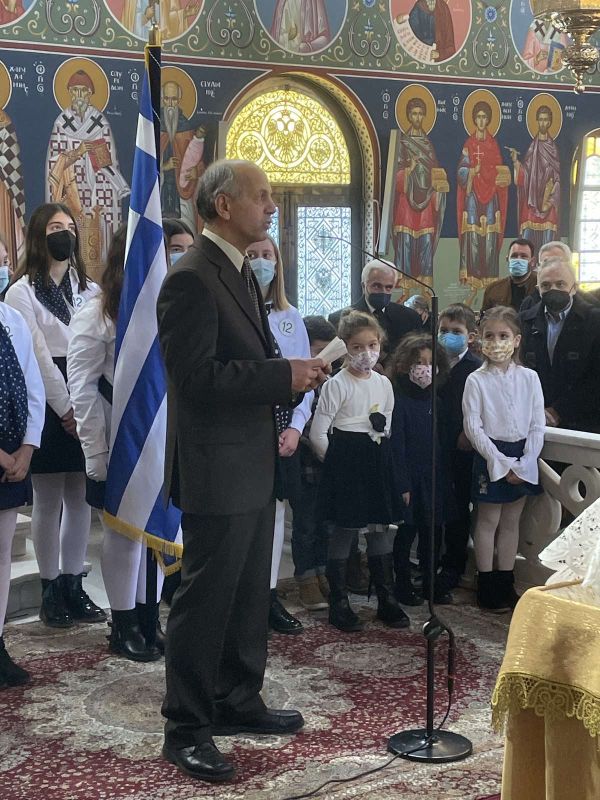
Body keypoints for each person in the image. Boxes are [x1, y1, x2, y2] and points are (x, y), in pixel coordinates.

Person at [156, 159, 328, 782]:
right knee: (205, 600)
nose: (272, 206)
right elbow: (196, 379)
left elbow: (244, 363)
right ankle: (186, 728)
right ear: (223, 205)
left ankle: (236, 697)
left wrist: (293, 375)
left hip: (252, 462)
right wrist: (283, 375)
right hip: (217, 468)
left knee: (250, 591)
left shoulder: (240, 273)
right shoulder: (190, 278)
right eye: (262, 196)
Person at [5, 203, 106, 628]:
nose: (64, 234)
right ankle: (50, 590)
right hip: (47, 400)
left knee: (81, 498)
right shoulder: (21, 292)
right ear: (38, 235)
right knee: (48, 500)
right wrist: (66, 408)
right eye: (54, 227)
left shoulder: (91, 288)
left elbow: (95, 347)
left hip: (86, 391)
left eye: (69, 227)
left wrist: (83, 407)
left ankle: (73, 583)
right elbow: (38, 357)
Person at [67, 225, 164, 663]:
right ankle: (123, 623)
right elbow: (82, 387)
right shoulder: (97, 312)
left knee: (155, 533)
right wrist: (97, 451)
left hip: (159, 440)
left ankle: (149, 618)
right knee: (123, 534)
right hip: (115, 442)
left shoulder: (171, 305)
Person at [310, 310, 408, 632]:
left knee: (380, 528)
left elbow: (386, 427)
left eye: (372, 345)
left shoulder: (383, 384)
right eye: (357, 347)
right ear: (345, 348)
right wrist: (338, 466)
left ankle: (386, 598)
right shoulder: (337, 385)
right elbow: (319, 434)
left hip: (376, 462)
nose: (366, 353)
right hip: (346, 465)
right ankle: (339, 602)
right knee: (345, 530)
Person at [247, 233, 312, 634]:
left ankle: (268, 595)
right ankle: (243, 595)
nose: (261, 262)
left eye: (267, 255)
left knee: (275, 516)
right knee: (245, 515)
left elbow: (307, 378)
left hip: (284, 427)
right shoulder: (238, 312)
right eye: (252, 254)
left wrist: (295, 427)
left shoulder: (291, 318)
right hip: (247, 428)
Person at [463, 306, 545, 611]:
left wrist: (525, 462)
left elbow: (537, 423)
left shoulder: (529, 378)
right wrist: (498, 461)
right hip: (490, 453)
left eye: (503, 335)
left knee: (511, 521)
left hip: (522, 453)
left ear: (517, 340)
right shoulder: (476, 380)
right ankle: (486, 583)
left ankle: (505, 580)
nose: (496, 342)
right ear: (480, 339)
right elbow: (473, 426)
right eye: (490, 336)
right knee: (488, 521)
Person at [0, 301, 45, 688]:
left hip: (15, 453)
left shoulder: (11, 319)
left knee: (2, 552)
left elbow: (32, 383)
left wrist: (28, 446)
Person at [387, 332, 450, 606]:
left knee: (433, 533)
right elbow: (397, 445)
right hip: (409, 478)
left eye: (430, 362)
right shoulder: (398, 400)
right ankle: (401, 583)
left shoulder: (435, 401)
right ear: (404, 365)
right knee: (407, 532)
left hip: (433, 477)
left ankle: (430, 582)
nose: (425, 368)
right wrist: (402, 483)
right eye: (419, 362)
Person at [47, 70, 130, 268]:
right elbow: (54, 164)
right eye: (75, 90)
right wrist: (78, 152)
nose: (79, 95)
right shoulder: (62, 123)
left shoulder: (100, 123)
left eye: (83, 90)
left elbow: (109, 165)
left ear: (90, 93)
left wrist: (99, 196)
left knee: (97, 249)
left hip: (97, 195)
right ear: (69, 92)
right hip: (71, 195)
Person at [520, 256, 600, 433]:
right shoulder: (524, 322)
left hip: (583, 423)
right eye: (546, 285)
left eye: (560, 284)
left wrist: (559, 411)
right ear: (538, 289)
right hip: (534, 422)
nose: (553, 289)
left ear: (574, 288)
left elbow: (596, 379)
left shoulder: (594, 321)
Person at [436, 304, 482, 594]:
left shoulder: (475, 367)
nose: (448, 336)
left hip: (462, 446)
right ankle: (430, 561)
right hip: (434, 442)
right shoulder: (432, 361)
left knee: (457, 507)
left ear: (471, 336)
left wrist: (468, 430)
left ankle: (453, 564)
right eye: (443, 330)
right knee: (434, 503)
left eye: (456, 331)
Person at [293, 315, 337, 610]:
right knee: (306, 524)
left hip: (330, 466)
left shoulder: (332, 383)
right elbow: (301, 422)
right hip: (306, 464)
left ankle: (323, 571)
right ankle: (306, 577)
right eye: (317, 352)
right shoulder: (298, 383)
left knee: (326, 524)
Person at [392, 97, 447, 284]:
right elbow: (396, 174)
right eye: (414, 114)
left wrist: (439, 185)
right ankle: (405, 285)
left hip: (427, 198)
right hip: (407, 199)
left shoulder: (428, 144)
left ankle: (425, 284)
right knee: (405, 240)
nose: (417, 117)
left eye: (420, 114)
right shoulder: (402, 143)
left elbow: (434, 171)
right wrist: (410, 169)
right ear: (408, 116)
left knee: (425, 241)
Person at [457, 101, 509, 289]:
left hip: (491, 193)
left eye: (484, 117)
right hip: (472, 193)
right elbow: (461, 171)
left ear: (488, 120)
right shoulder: (469, 144)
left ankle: (489, 279)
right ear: (474, 119)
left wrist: (494, 174)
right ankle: (472, 276)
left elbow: (499, 169)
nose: (481, 120)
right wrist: (472, 171)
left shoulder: (493, 144)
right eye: (478, 117)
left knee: (490, 234)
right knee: (471, 232)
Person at [329, 260, 421, 364]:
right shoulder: (339, 319)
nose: (383, 292)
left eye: (388, 287)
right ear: (364, 286)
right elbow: (336, 363)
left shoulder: (410, 317)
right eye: (377, 286)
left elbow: (416, 356)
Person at [508, 105, 560, 251]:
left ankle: (544, 266)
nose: (543, 123)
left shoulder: (553, 150)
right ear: (537, 121)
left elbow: (557, 180)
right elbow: (525, 174)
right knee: (525, 240)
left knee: (548, 245)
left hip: (547, 205)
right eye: (540, 120)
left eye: (546, 120)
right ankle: (526, 265)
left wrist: (549, 201)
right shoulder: (533, 147)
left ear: (549, 122)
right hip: (531, 201)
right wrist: (515, 162)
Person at [160, 81, 206, 232]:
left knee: (187, 232)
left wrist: (196, 171)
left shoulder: (186, 128)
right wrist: (163, 166)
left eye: (174, 99)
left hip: (183, 192)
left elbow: (198, 161)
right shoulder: (155, 127)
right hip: (160, 190)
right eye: (166, 99)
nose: (170, 104)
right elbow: (145, 163)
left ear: (179, 100)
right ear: (162, 99)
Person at [481, 238, 538, 313]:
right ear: (507, 259)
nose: (518, 260)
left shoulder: (541, 285)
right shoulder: (493, 289)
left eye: (524, 256)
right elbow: (485, 318)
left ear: (532, 261)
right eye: (514, 256)